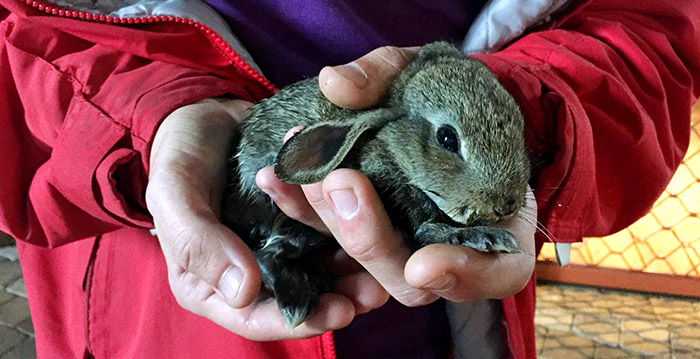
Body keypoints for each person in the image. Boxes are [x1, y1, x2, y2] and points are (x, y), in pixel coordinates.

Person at [0, 0, 698, 358]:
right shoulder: (359, 139)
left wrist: (530, 105)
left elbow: (652, 26)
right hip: (153, 304)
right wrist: (145, 115)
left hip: (453, 320)